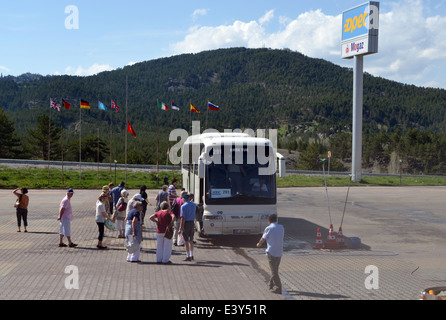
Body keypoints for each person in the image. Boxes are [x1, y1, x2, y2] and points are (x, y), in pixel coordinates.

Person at [256, 214, 284, 294]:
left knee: (274, 271)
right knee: (275, 270)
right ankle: (271, 284)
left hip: (271, 252)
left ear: (269, 220)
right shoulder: (281, 227)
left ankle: (278, 288)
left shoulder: (269, 228)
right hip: (279, 251)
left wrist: (259, 244)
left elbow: (263, 238)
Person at [179, 193, 197, 261]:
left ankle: (188, 256)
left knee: (186, 240)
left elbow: (183, 218)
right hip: (192, 222)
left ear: (184, 199)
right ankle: (192, 255)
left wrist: (180, 228)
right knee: (191, 240)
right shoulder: (194, 205)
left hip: (186, 223)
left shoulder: (183, 206)